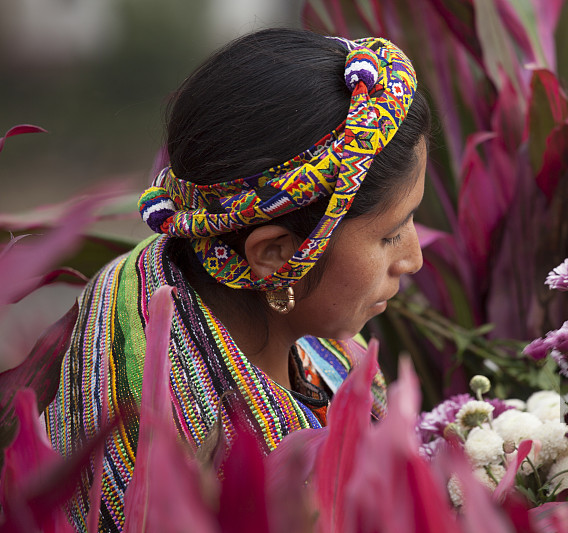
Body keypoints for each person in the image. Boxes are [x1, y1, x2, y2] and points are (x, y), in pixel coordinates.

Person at [44, 28, 430, 532]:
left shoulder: (154, 278)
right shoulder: (225, 477)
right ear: (274, 254)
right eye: (391, 234)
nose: (415, 259)